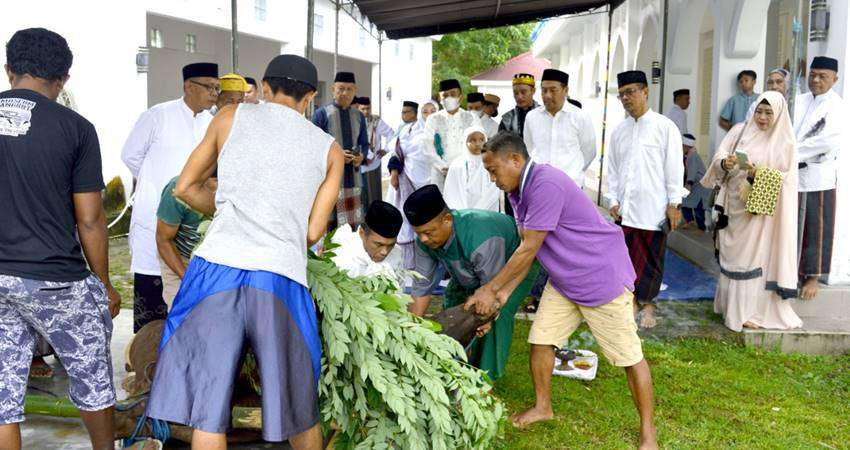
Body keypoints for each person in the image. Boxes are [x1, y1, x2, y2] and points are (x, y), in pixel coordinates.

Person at [146, 54, 344, 449]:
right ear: (310, 97)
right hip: (280, 275)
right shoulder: (329, 150)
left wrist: (227, 212)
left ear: (265, 89)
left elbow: (184, 188)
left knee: (208, 404)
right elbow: (312, 231)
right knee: (299, 403)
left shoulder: (229, 118)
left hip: (216, 267)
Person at [468, 133, 656, 449]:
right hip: (565, 279)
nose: (492, 179)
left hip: (600, 278)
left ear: (515, 160)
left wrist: (490, 289)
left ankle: (648, 433)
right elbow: (527, 253)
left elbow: (528, 249)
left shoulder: (545, 184)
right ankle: (543, 407)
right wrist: (500, 297)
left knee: (629, 357)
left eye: (493, 170)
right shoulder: (518, 191)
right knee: (542, 339)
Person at [0, 27, 122, 450]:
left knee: (3, 394)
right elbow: (90, 219)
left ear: (9, 68)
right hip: (55, 279)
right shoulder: (76, 128)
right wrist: (103, 283)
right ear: (64, 78)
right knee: (92, 379)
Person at [404, 185, 539, 380]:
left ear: (447, 220)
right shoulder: (424, 242)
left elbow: (492, 294)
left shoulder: (479, 237)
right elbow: (421, 289)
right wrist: (409, 331)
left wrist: (485, 317)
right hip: (472, 271)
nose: (423, 239)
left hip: (513, 267)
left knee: (489, 314)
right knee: (452, 301)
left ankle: (484, 380)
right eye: (418, 233)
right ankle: (454, 364)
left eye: (429, 232)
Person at [121, 61, 218, 333]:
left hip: (192, 221)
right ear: (188, 86)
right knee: (151, 296)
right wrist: (155, 185)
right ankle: (144, 361)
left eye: (216, 87)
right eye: (208, 86)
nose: (214, 93)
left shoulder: (212, 123)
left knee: (185, 301)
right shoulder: (158, 115)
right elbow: (130, 154)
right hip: (156, 212)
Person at [700, 92, 802, 331]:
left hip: (760, 213)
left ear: (777, 115)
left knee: (752, 261)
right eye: (759, 111)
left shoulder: (784, 141)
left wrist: (760, 174)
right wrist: (725, 163)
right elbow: (719, 155)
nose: (763, 118)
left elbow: (789, 179)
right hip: (734, 207)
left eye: (768, 113)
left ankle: (749, 312)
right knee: (732, 257)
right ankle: (729, 308)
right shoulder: (740, 131)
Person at [606, 70, 684, 330]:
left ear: (645, 92)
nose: (626, 98)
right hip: (626, 209)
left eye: (631, 92)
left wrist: (674, 203)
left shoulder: (665, 127)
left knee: (652, 259)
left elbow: (674, 167)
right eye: (622, 95)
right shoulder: (619, 131)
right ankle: (631, 303)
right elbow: (614, 170)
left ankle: (648, 305)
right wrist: (613, 199)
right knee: (626, 259)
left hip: (654, 208)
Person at [793, 56, 846, 300]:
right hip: (792, 173)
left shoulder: (838, 106)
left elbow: (826, 140)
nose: (815, 80)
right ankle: (790, 272)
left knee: (817, 226)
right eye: (812, 74)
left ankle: (812, 276)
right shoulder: (799, 100)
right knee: (792, 224)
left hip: (819, 175)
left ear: (834, 79)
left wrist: (789, 152)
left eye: (822, 76)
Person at [312, 71, 368, 231]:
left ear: (355, 91)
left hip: (353, 180)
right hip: (329, 180)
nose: (345, 93)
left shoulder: (359, 116)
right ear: (333, 89)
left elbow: (364, 143)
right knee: (329, 229)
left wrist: (361, 157)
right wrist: (335, 156)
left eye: (349, 89)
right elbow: (313, 145)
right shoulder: (321, 114)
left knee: (352, 230)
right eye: (341, 88)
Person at [523, 68, 596, 187]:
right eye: (544, 90)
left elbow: (589, 152)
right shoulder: (532, 117)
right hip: (540, 185)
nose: (547, 95)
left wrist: (574, 171)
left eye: (553, 90)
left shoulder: (580, 116)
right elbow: (529, 149)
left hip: (572, 187)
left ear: (565, 90)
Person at [155, 174, 217, 307]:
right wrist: (189, 280)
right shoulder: (176, 189)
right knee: (183, 312)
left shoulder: (241, 188)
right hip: (180, 257)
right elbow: (163, 240)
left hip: (220, 260)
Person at [387, 100, 432, 268]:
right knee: (406, 221)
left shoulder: (438, 131)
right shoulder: (408, 130)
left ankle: (429, 267)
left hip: (432, 183)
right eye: (426, 111)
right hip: (406, 183)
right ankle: (407, 267)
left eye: (432, 111)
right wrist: (394, 171)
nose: (429, 115)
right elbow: (397, 151)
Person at [422, 79, 478, 190]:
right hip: (440, 173)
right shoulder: (433, 119)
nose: (449, 98)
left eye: (453, 94)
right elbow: (427, 147)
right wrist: (443, 167)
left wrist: (463, 167)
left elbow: (478, 144)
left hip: (466, 172)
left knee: (464, 204)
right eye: (445, 95)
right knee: (442, 205)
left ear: (460, 97)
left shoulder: (471, 118)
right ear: (440, 99)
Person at [331, 200, 404, 284]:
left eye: (391, 245)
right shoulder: (342, 259)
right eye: (378, 244)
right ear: (362, 233)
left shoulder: (396, 254)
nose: (385, 252)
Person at [444, 125, 501, 211]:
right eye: (472, 140)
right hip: (463, 213)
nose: (478, 144)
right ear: (464, 142)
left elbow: (494, 191)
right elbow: (452, 193)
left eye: (481, 140)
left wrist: (479, 211)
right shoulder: (457, 165)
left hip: (487, 212)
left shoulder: (491, 162)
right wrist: (466, 213)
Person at [355, 96, 394, 207]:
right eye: (363, 109)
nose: (366, 111)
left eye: (368, 108)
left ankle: (374, 220)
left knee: (373, 195)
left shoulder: (376, 121)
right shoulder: (353, 121)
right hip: (356, 166)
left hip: (372, 165)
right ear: (358, 108)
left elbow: (391, 134)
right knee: (358, 197)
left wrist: (386, 150)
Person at [680, 133, 710, 231]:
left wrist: (688, 184)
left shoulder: (693, 156)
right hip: (695, 186)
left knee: (698, 207)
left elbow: (692, 171)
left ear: (686, 146)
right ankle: (691, 222)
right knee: (685, 203)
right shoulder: (688, 155)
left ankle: (701, 227)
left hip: (699, 186)